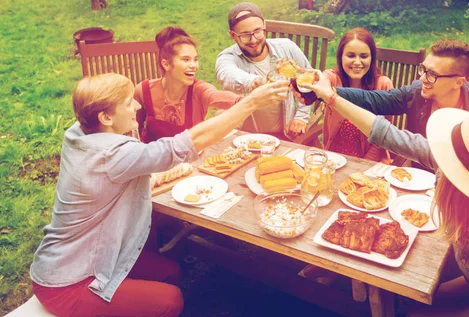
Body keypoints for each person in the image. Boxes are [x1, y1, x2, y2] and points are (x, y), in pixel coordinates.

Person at [306, 76, 469, 317]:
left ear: (460, 181)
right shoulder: (461, 160)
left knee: (414, 310)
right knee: (409, 299)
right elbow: (386, 134)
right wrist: (330, 96)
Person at [29, 73, 288, 317]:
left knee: (170, 271)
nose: (138, 108)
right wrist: (252, 102)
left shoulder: (79, 133)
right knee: (171, 299)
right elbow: (189, 142)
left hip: (97, 256)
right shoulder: (111, 156)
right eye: (129, 103)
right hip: (66, 281)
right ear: (105, 118)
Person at [330, 38, 469, 190]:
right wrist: (330, 91)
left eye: (433, 74)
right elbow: (378, 100)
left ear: (458, 82)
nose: (423, 78)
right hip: (418, 181)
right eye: (423, 69)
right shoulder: (418, 91)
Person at [215, 2, 312, 140]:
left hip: (285, 135)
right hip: (246, 137)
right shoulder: (227, 58)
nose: (253, 40)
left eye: (258, 32)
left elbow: (308, 83)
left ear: (264, 26)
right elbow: (227, 74)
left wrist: (301, 117)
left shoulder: (287, 47)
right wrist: (255, 82)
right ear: (233, 35)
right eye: (245, 35)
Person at [134, 27, 241, 143]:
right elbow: (132, 131)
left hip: (189, 160)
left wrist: (247, 100)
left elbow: (214, 95)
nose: (194, 65)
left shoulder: (198, 90)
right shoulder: (143, 91)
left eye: (195, 60)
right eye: (186, 60)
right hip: (152, 159)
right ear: (166, 64)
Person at [321, 27, 393, 162]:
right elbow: (322, 79)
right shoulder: (333, 79)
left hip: (371, 163)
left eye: (364, 56)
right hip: (334, 161)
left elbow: (384, 136)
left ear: (372, 58)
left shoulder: (383, 85)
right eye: (351, 55)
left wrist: (363, 165)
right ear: (340, 56)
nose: (357, 62)